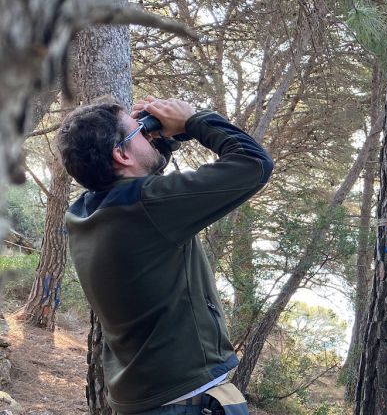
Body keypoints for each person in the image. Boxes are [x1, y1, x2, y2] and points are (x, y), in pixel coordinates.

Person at [58, 95, 273, 414]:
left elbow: (146, 181)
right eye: (139, 131)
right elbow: (254, 163)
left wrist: (158, 139)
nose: (147, 133)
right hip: (186, 401)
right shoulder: (148, 207)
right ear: (120, 154)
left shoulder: (86, 212)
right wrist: (193, 122)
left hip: (148, 398)